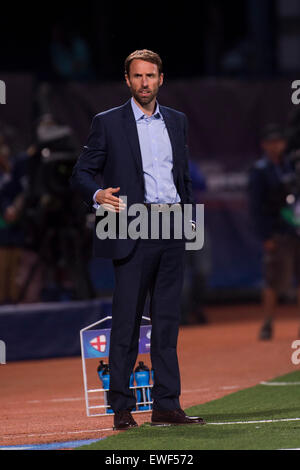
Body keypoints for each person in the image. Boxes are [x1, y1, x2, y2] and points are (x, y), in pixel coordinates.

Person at [70, 49, 206, 430]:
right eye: (137, 76)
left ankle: (166, 406)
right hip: (130, 224)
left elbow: (183, 178)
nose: (144, 83)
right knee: (127, 323)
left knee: (166, 322)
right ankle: (122, 409)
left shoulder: (177, 121)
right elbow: (82, 173)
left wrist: (189, 219)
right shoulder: (107, 122)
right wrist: (97, 196)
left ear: (161, 79)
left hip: (172, 225)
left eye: (151, 76)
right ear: (127, 80)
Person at [248, 123, 300, 340]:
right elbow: (256, 206)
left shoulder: (292, 166)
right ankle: (267, 322)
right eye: (270, 142)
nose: (275, 146)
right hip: (277, 233)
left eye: (278, 142)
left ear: (284, 144)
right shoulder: (260, 171)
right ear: (264, 145)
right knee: (273, 281)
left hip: (296, 230)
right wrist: (266, 236)